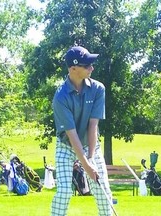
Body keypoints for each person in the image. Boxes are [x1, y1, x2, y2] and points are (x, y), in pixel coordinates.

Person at [51, 46, 113, 216]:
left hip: (91, 144)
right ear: (73, 69)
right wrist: (86, 166)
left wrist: (91, 159)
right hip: (66, 146)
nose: (92, 68)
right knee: (64, 192)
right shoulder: (60, 97)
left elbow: (93, 126)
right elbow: (72, 136)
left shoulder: (98, 89)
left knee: (102, 188)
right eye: (87, 65)